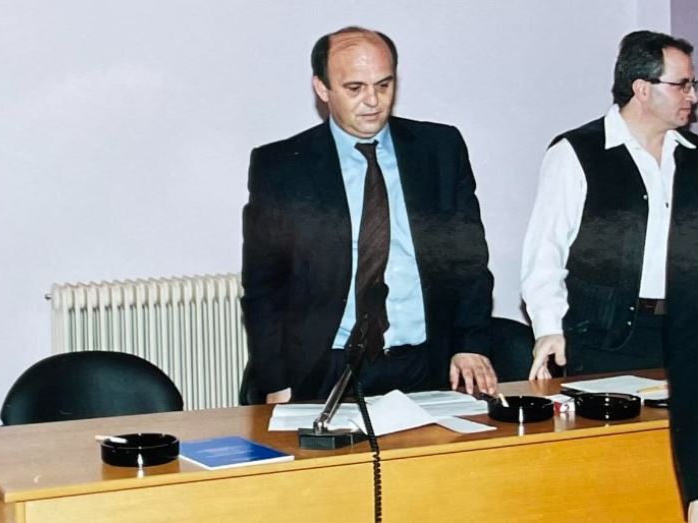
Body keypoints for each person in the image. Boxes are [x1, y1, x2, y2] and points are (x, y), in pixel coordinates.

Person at [241, 26, 496, 405]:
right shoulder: (281, 166)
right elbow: (264, 288)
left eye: (383, 85)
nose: (373, 101)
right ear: (322, 88)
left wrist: (470, 343)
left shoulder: (439, 150)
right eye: (355, 88)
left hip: (426, 363)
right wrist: (276, 381)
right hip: (326, 367)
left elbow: (469, 261)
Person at [521, 30, 698, 518]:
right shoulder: (577, 152)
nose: (693, 96)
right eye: (682, 85)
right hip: (605, 339)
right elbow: (545, 252)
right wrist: (549, 328)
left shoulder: (693, 155)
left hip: (684, 335)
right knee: (608, 471)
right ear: (642, 89)